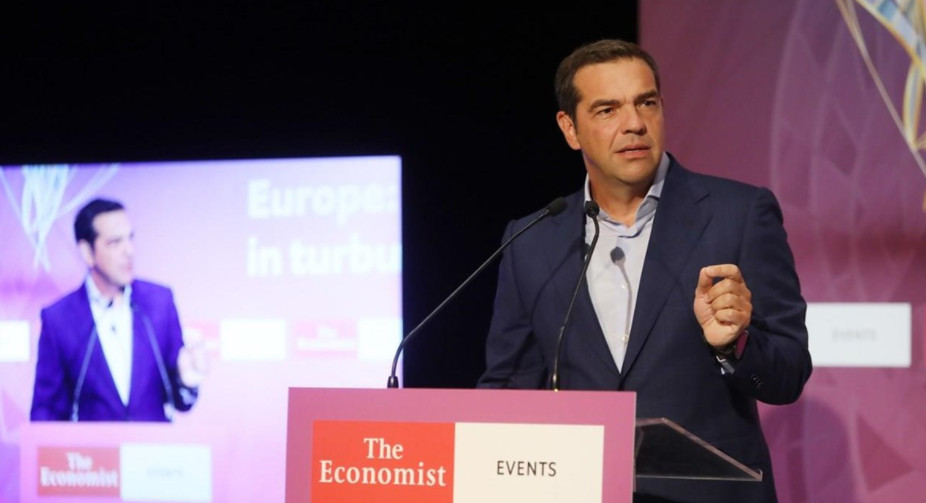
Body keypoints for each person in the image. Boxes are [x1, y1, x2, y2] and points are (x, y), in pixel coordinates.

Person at [477, 39, 812, 502]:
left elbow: (788, 374)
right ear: (570, 129)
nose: (634, 123)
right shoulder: (531, 240)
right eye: (607, 109)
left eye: (646, 103)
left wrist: (732, 345)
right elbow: (508, 389)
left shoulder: (739, 214)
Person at [31, 198, 206, 422]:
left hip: (151, 443)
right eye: (115, 242)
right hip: (91, 445)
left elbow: (180, 400)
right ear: (87, 252)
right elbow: (46, 410)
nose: (129, 251)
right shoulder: (59, 318)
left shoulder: (159, 303)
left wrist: (187, 381)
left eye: (130, 238)